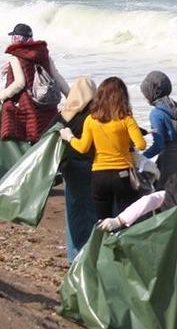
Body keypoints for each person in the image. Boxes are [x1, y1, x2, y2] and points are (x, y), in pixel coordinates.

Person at [59, 77, 147, 221]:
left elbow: (83, 147)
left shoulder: (91, 120)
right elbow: (141, 144)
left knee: (102, 221)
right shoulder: (126, 119)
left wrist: (69, 137)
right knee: (126, 219)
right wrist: (126, 140)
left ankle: (104, 242)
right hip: (123, 175)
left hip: (99, 175)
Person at [0, 23, 69, 143]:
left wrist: (0, 96)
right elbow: (57, 77)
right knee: (45, 138)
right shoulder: (44, 55)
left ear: (16, 38)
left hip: (28, 106)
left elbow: (19, 84)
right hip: (48, 104)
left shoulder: (16, 57)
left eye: (13, 36)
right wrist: (70, 96)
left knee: (19, 129)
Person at [54, 77, 98, 263]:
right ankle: (91, 253)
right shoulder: (95, 115)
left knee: (73, 212)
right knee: (92, 211)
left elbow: (45, 138)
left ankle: (74, 256)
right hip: (93, 167)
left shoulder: (64, 115)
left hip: (71, 169)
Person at [139, 71, 177, 187]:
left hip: (170, 161)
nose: (144, 96)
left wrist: (141, 158)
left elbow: (159, 145)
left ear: (152, 92)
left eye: (145, 92)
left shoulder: (156, 114)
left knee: (166, 197)